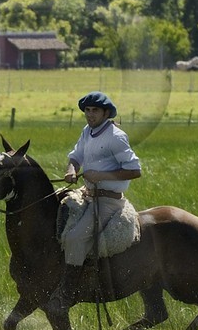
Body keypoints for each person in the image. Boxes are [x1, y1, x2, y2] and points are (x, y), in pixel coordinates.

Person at [44, 91, 143, 316]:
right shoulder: (87, 131)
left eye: (95, 111)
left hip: (108, 201)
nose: (90, 115)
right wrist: (71, 170)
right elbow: (75, 157)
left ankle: (66, 294)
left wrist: (101, 175)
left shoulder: (116, 137)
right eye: (87, 111)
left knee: (75, 237)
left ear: (106, 113)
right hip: (87, 193)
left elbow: (135, 170)